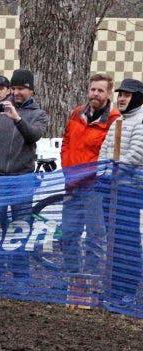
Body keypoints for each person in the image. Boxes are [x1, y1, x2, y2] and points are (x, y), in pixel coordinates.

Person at [0, 68, 49, 285]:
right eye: (14, 88)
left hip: (21, 179)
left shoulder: (39, 114)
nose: (16, 92)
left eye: (21, 88)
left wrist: (16, 118)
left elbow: (33, 136)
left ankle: (21, 277)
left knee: (20, 227)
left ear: (31, 90)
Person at [60, 73, 120, 282]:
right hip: (72, 183)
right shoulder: (77, 113)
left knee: (95, 236)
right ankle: (73, 277)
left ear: (108, 93)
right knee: (68, 234)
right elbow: (66, 141)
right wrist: (67, 168)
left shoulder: (114, 120)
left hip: (95, 187)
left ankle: (92, 279)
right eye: (93, 89)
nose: (95, 93)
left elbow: (111, 153)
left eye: (100, 90)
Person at [98, 78, 143, 303]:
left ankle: (127, 290)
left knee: (126, 241)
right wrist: (103, 173)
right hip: (111, 189)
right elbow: (105, 150)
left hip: (129, 191)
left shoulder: (141, 122)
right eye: (121, 94)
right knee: (113, 240)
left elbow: (135, 156)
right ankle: (113, 288)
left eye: (127, 94)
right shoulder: (118, 122)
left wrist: (113, 174)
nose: (122, 98)